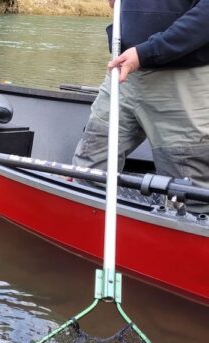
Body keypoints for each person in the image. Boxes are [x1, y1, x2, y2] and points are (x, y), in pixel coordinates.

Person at [72, 0, 209, 214]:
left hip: (182, 79)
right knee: (89, 169)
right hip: (124, 70)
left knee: (188, 198)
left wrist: (147, 52)